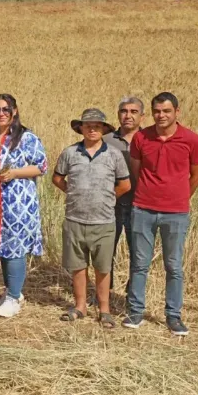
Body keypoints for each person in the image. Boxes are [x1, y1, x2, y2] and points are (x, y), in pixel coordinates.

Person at [123, 92, 198, 336]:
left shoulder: (191, 140)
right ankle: (135, 311)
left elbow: (196, 175)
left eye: (166, 111)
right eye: (157, 111)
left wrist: (178, 197)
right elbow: (136, 170)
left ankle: (173, 315)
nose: (161, 115)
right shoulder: (141, 138)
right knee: (139, 263)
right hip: (143, 208)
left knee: (174, 266)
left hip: (176, 213)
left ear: (176, 112)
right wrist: (150, 194)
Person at [53, 109, 130, 329]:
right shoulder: (70, 153)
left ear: (104, 129)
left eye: (97, 125)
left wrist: (106, 198)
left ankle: (104, 310)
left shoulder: (114, 155)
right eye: (88, 125)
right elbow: (57, 178)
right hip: (74, 220)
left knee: (102, 267)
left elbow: (125, 185)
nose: (93, 129)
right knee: (78, 266)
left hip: (104, 221)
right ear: (81, 128)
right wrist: (74, 193)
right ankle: (80, 306)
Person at [0, 94, 47, 318]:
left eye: (6, 109)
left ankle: (14, 297)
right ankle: (11, 290)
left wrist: (14, 173)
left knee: (14, 248)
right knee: (2, 248)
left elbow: (41, 166)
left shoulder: (26, 138)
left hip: (17, 204)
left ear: (14, 111)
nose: (1, 113)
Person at [103, 96, 145, 290]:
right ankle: (104, 293)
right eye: (124, 111)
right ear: (118, 114)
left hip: (140, 205)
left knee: (138, 252)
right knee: (105, 251)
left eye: (134, 112)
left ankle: (133, 294)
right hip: (112, 204)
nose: (128, 116)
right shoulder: (105, 140)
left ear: (142, 117)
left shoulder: (149, 139)